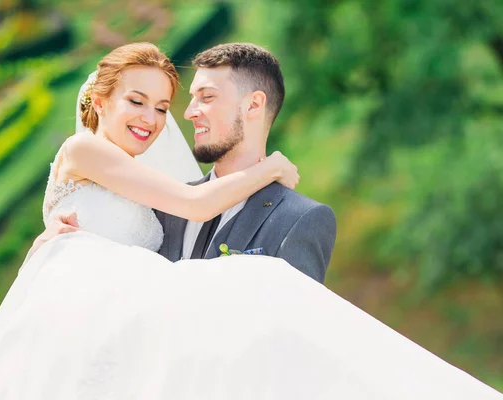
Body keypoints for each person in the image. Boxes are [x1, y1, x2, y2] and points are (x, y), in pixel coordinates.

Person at [0, 43, 502, 399]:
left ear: (254, 106)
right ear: (99, 98)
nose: (174, 117)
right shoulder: (156, 196)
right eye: (143, 102)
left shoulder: (299, 220)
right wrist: (60, 249)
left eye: (184, 101)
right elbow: (180, 217)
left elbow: (293, 357)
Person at [37, 43, 337, 283]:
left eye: (161, 108)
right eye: (137, 101)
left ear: (254, 105)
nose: (151, 119)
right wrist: (271, 167)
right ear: (99, 102)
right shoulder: (83, 149)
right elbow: (195, 204)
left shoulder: (151, 198)